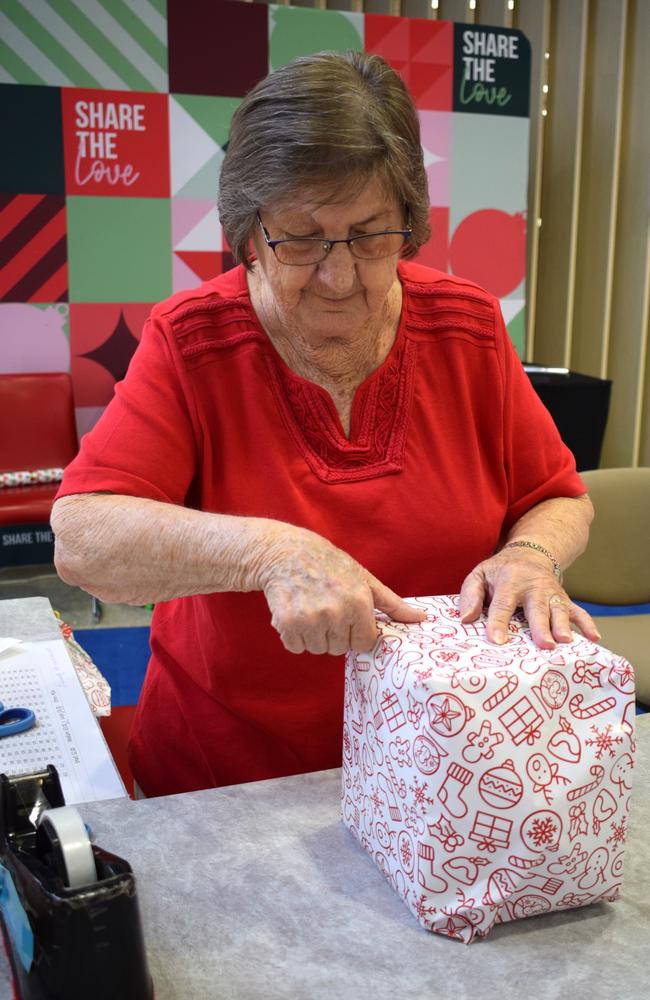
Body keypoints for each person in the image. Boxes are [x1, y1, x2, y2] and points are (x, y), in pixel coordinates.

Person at [52, 51, 598, 797]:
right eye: (301, 240)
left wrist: (533, 554)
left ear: (410, 221)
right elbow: (82, 541)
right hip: (233, 783)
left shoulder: (466, 326)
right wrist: (270, 552)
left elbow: (559, 494)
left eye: (373, 235)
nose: (341, 279)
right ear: (249, 232)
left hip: (444, 771)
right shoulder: (193, 340)